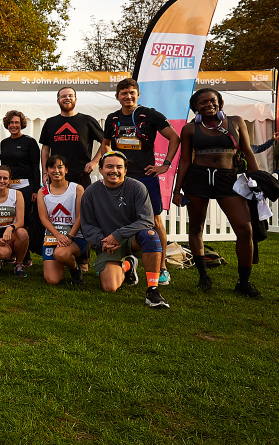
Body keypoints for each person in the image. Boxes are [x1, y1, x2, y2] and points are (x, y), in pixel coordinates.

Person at [172, 88, 261, 297]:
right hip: (198, 179)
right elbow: (185, 160)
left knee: (245, 229)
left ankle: (244, 281)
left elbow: (247, 151)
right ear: (196, 107)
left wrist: (258, 180)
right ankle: (203, 276)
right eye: (202, 103)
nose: (208, 104)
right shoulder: (189, 129)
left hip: (228, 179)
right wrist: (177, 189)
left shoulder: (237, 121)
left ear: (220, 102)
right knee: (195, 228)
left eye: (212, 100)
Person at [102, 78, 181, 285]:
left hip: (146, 176)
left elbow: (175, 138)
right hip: (122, 178)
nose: (128, 96)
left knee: (154, 221)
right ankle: (126, 262)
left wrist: (165, 165)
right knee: (121, 219)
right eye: (123, 93)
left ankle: (161, 267)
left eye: (131, 92)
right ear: (117, 96)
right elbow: (105, 145)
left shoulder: (151, 114)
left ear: (138, 94)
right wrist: (109, 167)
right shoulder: (112, 118)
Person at [82, 151, 170, 309]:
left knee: (151, 234)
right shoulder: (91, 192)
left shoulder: (137, 187)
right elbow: (87, 225)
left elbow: (147, 220)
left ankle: (153, 291)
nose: (114, 170)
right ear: (100, 170)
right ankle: (129, 264)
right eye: (109, 166)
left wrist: (118, 235)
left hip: (132, 239)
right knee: (110, 287)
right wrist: (102, 241)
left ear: (125, 170)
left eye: (119, 167)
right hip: (107, 243)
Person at [0, 110, 42, 269]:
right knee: (11, 218)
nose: (14, 125)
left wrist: (36, 189)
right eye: (11, 123)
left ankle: (26, 255)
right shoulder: (4, 143)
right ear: (7, 125)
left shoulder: (30, 142)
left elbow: (36, 167)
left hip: (26, 186)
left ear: (21, 123)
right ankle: (12, 252)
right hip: (9, 186)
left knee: (25, 221)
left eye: (16, 122)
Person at [37, 155, 88, 286]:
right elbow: (43, 218)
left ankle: (74, 270)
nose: (56, 170)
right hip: (52, 238)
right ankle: (63, 262)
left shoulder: (77, 189)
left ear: (66, 170)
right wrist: (58, 236)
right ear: (47, 170)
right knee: (52, 280)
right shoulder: (42, 192)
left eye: (60, 167)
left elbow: (80, 216)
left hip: (75, 238)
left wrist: (69, 237)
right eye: (52, 167)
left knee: (60, 253)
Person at [39, 86, 105, 187]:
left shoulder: (87, 121)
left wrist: (94, 162)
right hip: (57, 175)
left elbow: (105, 141)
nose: (67, 98)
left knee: (82, 203)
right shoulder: (50, 122)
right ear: (58, 101)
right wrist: (45, 172)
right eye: (63, 96)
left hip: (81, 175)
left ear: (75, 99)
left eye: (70, 96)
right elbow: (45, 150)